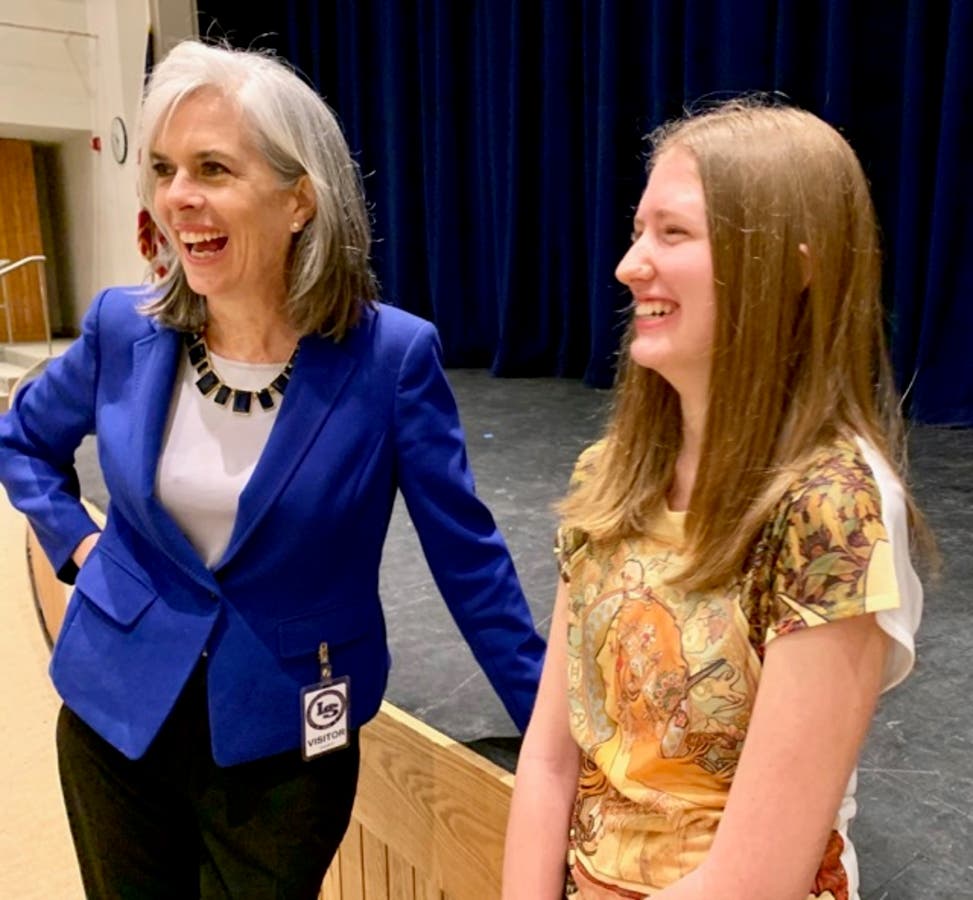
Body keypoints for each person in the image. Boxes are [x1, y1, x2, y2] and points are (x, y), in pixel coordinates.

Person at [0, 39, 544, 899]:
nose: (179, 197)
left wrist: (552, 738)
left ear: (299, 199)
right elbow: (22, 440)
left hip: (288, 737)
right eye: (165, 169)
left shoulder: (391, 359)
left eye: (213, 168)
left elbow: (468, 565)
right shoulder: (122, 327)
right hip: (115, 711)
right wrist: (79, 545)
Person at [502, 99, 928, 899]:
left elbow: (752, 879)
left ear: (790, 269)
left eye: (673, 233)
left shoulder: (828, 512)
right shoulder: (609, 474)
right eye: (638, 231)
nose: (629, 265)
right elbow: (551, 760)